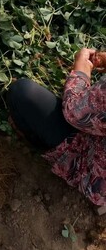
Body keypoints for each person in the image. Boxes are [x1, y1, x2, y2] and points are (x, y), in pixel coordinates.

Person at [7, 48, 106, 208]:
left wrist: (81, 70)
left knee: (22, 92)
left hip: (93, 168)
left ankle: (36, 142)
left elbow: (74, 112)